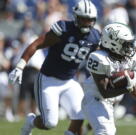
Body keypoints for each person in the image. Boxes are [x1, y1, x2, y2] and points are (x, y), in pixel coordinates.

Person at [8, 0, 100, 135]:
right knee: (49, 123)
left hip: (69, 81)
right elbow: (36, 44)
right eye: (83, 19)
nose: (87, 23)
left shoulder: (95, 36)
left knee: (80, 115)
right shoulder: (64, 29)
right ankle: (31, 122)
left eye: (90, 20)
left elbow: (100, 58)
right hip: (48, 80)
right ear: (76, 17)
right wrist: (20, 66)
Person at [81, 23, 136, 135]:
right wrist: (127, 88)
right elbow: (104, 91)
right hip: (94, 98)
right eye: (125, 43)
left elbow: (130, 82)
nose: (129, 47)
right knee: (105, 131)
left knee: (110, 131)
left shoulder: (129, 57)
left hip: (111, 101)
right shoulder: (98, 58)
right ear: (112, 42)